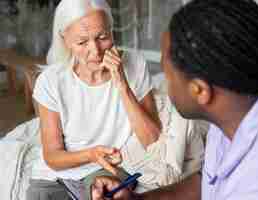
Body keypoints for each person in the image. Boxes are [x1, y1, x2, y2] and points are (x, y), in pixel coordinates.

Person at [92, 0, 258, 199]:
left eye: (167, 75)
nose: (164, 84)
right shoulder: (233, 116)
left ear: (200, 91)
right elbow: (208, 184)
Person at [27, 0, 162, 199]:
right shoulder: (50, 81)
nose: (96, 51)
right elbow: (53, 156)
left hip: (105, 170)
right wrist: (91, 154)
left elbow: (151, 139)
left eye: (103, 37)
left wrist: (122, 84)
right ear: (65, 39)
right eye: (82, 42)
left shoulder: (135, 65)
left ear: (111, 30)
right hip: (54, 175)